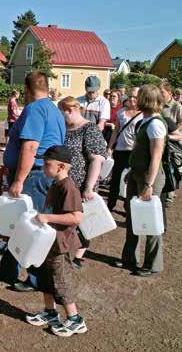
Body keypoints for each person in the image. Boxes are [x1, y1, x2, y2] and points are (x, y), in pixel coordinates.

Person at [0, 71, 66, 292]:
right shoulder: (54, 110)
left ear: (27, 90)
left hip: (34, 175)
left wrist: (18, 180)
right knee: (21, 224)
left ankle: (34, 278)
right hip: (43, 174)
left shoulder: (35, 109)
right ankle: (7, 270)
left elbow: (30, 146)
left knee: (31, 225)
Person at [24, 145, 86, 337]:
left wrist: (48, 218)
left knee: (61, 281)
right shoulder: (55, 183)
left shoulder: (68, 187)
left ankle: (75, 320)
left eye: (47, 164)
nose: (43, 167)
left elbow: (76, 217)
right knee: (44, 276)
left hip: (62, 244)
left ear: (61, 167)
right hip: (48, 241)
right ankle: (50, 312)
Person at [117, 84, 167, 277]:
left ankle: (152, 264)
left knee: (150, 220)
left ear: (145, 100)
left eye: (138, 97)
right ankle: (130, 258)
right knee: (132, 217)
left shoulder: (155, 124)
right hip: (137, 173)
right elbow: (140, 151)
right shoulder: (146, 120)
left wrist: (148, 184)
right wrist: (132, 170)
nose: (134, 100)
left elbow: (156, 157)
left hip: (149, 177)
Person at [57, 97, 107, 269]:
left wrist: (89, 187)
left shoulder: (89, 129)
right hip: (65, 183)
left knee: (83, 222)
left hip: (82, 185)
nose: (60, 117)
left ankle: (78, 255)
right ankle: (64, 250)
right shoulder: (65, 128)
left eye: (61, 112)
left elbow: (97, 160)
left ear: (70, 110)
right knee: (66, 219)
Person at [107, 87, 142, 210]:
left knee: (131, 181)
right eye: (130, 96)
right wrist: (110, 146)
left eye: (135, 97)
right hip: (120, 150)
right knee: (115, 178)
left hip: (134, 152)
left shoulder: (143, 114)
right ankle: (110, 204)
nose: (132, 99)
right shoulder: (121, 112)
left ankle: (129, 207)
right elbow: (116, 131)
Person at [158, 82, 182, 205]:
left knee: (170, 167)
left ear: (169, 93)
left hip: (171, 141)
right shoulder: (157, 105)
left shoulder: (176, 106)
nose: (160, 94)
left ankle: (170, 194)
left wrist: (173, 131)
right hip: (159, 141)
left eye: (162, 92)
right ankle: (161, 192)